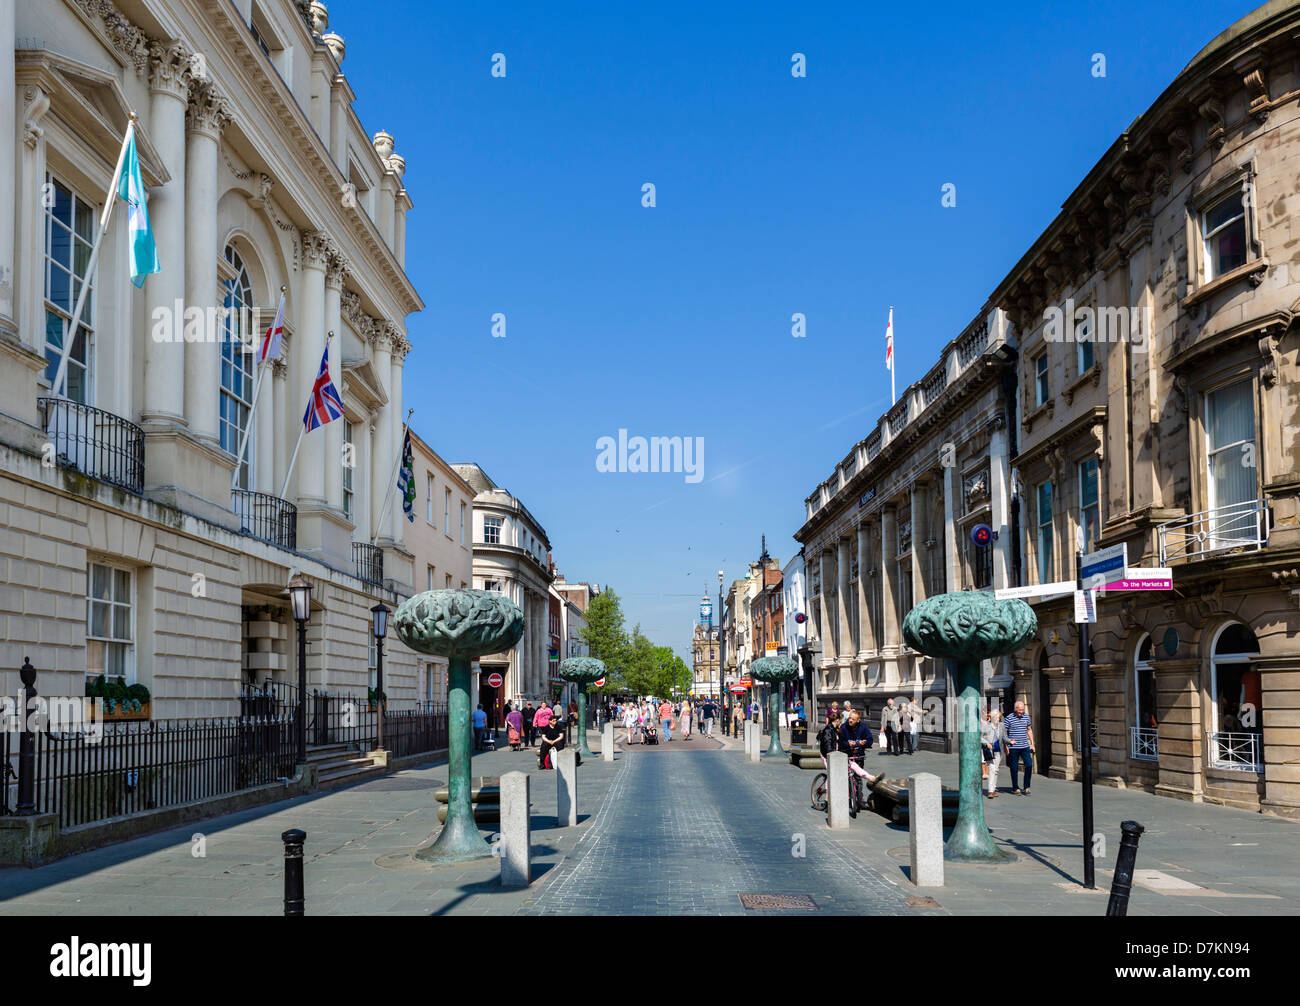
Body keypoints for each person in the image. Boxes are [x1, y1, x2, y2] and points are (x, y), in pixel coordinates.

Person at [1004, 700, 1035, 795]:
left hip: (1025, 746)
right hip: (1013, 747)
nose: (1022, 711)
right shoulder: (1009, 718)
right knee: (1014, 767)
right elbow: (1004, 732)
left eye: (1023, 709)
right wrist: (1006, 745)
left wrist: (1032, 743)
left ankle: (1026, 787)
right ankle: (1015, 788)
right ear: (1015, 709)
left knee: (1029, 765)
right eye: (1020, 710)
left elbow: (1029, 730)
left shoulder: (1026, 716)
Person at [982, 708, 1007, 797]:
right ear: (992, 717)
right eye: (996, 717)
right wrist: (987, 743)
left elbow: (1005, 738)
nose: (998, 719)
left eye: (999, 717)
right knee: (992, 770)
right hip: (989, 751)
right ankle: (990, 791)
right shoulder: (986, 726)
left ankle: (993, 789)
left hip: (999, 751)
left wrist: (1010, 741)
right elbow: (979, 737)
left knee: (996, 770)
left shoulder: (1002, 726)